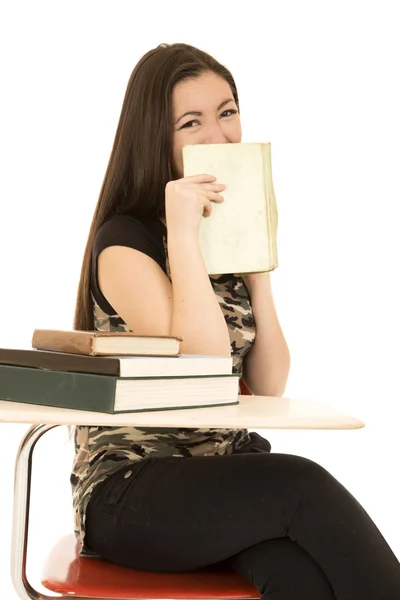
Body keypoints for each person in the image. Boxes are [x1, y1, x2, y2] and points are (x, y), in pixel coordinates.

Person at [71, 42, 400, 600]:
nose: (219, 137)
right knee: (300, 484)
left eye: (227, 112)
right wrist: (182, 233)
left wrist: (258, 270)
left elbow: (268, 387)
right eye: (191, 122)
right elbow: (202, 371)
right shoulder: (126, 243)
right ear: (157, 138)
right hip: (132, 489)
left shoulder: (220, 237)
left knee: (301, 577)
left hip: (219, 474)